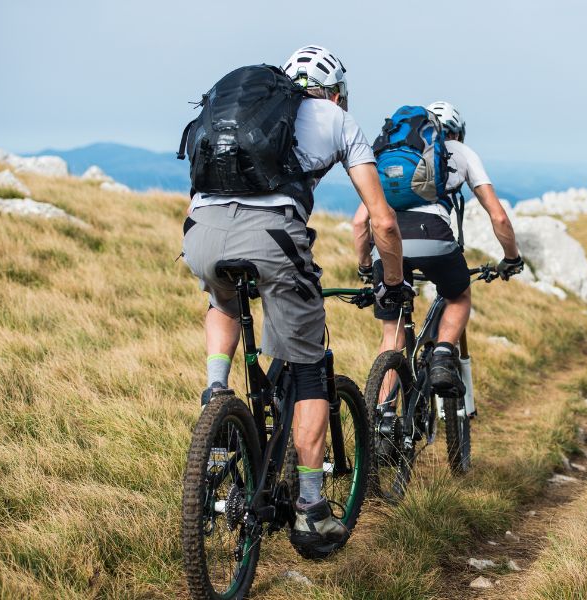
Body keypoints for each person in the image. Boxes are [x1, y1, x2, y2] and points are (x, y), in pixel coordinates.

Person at [181, 45, 410, 555]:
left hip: (200, 235)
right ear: (335, 92)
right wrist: (390, 284)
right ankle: (309, 509)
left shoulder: (239, 112)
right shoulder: (335, 119)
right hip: (272, 240)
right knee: (309, 370)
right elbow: (383, 220)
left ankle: (216, 391)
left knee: (223, 303)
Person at [352, 100, 524, 396]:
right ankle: (444, 353)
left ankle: (382, 418)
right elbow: (498, 216)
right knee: (458, 295)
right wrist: (511, 258)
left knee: (391, 335)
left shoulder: (393, 156)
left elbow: (358, 224)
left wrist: (366, 265)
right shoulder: (462, 152)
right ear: (457, 133)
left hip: (387, 243)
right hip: (434, 236)